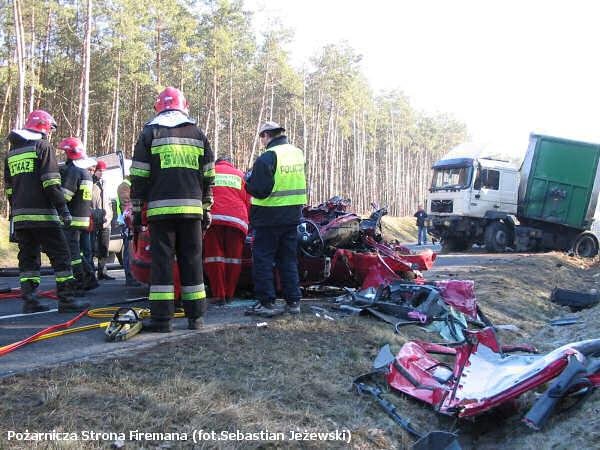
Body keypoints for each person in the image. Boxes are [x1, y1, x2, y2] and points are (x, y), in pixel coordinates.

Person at [130, 86, 215, 332]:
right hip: (192, 212)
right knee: (192, 261)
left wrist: (137, 211)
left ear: (159, 107)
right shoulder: (198, 133)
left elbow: (138, 176)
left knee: (162, 264)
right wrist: (206, 208)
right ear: (183, 106)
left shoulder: (150, 133)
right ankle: (196, 318)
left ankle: (162, 320)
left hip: (160, 213)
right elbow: (209, 175)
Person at [3, 110, 89, 313]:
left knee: (28, 258)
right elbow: (51, 183)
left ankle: (30, 300)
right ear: (43, 127)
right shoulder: (43, 147)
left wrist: (17, 208)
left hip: (21, 216)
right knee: (61, 255)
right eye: (49, 128)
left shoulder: (12, 153)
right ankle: (67, 299)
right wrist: (63, 210)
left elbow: (8, 188)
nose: (50, 133)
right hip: (43, 214)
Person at [245, 121, 307, 317]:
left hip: (268, 216)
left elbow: (260, 191)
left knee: (263, 260)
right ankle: (293, 302)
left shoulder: (268, 156)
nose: (262, 141)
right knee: (288, 260)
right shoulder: (298, 153)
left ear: (267, 135)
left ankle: (266, 303)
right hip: (292, 216)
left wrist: (247, 183)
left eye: (262, 137)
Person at [203, 156, 250, 305]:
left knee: (214, 257)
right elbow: (249, 200)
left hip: (214, 218)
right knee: (234, 259)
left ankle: (219, 295)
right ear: (231, 163)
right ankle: (230, 294)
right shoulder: (240, 175)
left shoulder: (210, 172)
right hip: (237, 220)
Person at [58, 137, 99, 294]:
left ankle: (82, 280)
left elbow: (65, 197)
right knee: (78, 251)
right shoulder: (85, 172)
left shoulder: (74, 172)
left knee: (72, 253)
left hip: (72, 219)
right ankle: (89, 278)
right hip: (81, 219)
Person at [91, 159, 114, 280]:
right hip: (94, 221)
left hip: (106, 221)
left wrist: (110, 216)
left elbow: (109, 202)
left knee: (104, 248)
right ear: (95, 171)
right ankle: (90, 273)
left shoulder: (106, 183)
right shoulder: (90, 183)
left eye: (103, 171)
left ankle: (102, 272)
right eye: (100, 170)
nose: (102, 173)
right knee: (91, 248)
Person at [116, 175, 141, 286]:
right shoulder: (125, 186)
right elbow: (126, 206)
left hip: (128, 221)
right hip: (127, 223)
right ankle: (130, 277)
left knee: (131, 250)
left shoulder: (127, 186)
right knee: (129, 250)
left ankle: (132, 276)